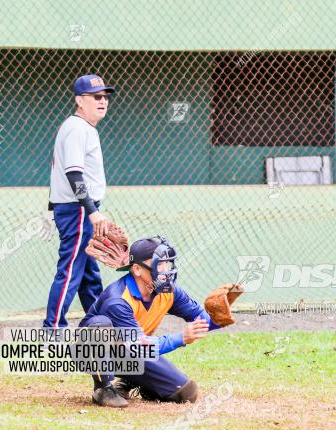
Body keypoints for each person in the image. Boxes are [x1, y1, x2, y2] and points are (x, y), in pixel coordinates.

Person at [79, 236, 220, 408]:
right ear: (137, 269)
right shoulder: (118, 300)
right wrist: (181, 337)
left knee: (185, 392)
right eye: (158, 264)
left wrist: (220, 315)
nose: (165, 270)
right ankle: (103, 389)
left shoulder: (168, 291)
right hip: (91, 353)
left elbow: (201, 320)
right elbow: (138, 346)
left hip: (132, 350)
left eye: (166, 264)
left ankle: (133, 380)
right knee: (99, 325)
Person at [42, 74, 114, 328]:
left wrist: (51, 209)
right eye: (96, 96)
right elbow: (73, 173)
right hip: (79, 210)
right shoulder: (77, 128)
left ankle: (100, 324)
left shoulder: (77, 127)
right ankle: (53, 328)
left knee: (88, 274)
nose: (103, 101)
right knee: (71, 269)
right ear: (79, 100)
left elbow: (56, 172)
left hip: (74, 208)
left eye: (105, 96)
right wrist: (92, 211)